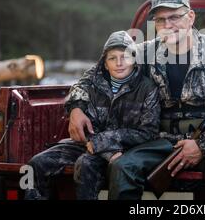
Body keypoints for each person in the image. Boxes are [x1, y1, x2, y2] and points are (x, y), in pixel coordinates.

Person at [68, 0, 205, 200]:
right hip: (162, 141)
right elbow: (94, 75)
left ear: (190, 17)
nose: (168, 25)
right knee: (123, 168)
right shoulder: (144, 52)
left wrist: (202, 146)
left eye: (174, 17)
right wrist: (76, 107)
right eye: (160, 20)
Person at [25, 31, 160, 200]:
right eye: (112, 58)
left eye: (124, 57)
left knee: (86, 164)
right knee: (35, 164)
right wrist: (103, 148)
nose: (119, 63)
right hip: (88, 143)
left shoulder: (147, 88)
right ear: (105, 63)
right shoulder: (92, 84)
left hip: (125, 150)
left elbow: (149, 132)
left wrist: (105, 143)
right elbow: (85, 124)